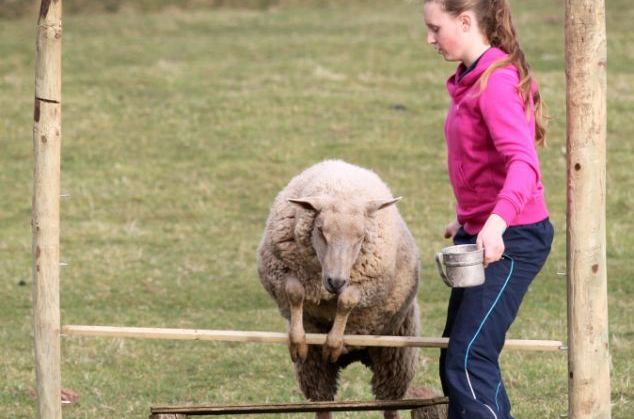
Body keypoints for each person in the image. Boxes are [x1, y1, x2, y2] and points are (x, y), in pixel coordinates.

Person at [422, 0, 555, 418]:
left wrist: (495, 223)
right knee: (456, 359)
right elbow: (482, 162)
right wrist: (470, 216)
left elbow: (523, 163)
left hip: (514, 238)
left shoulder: (494, 82)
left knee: (469, 357)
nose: (429, 39)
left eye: (435, 28)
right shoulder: (469, 78)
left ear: (465, 21)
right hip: (482, 231)